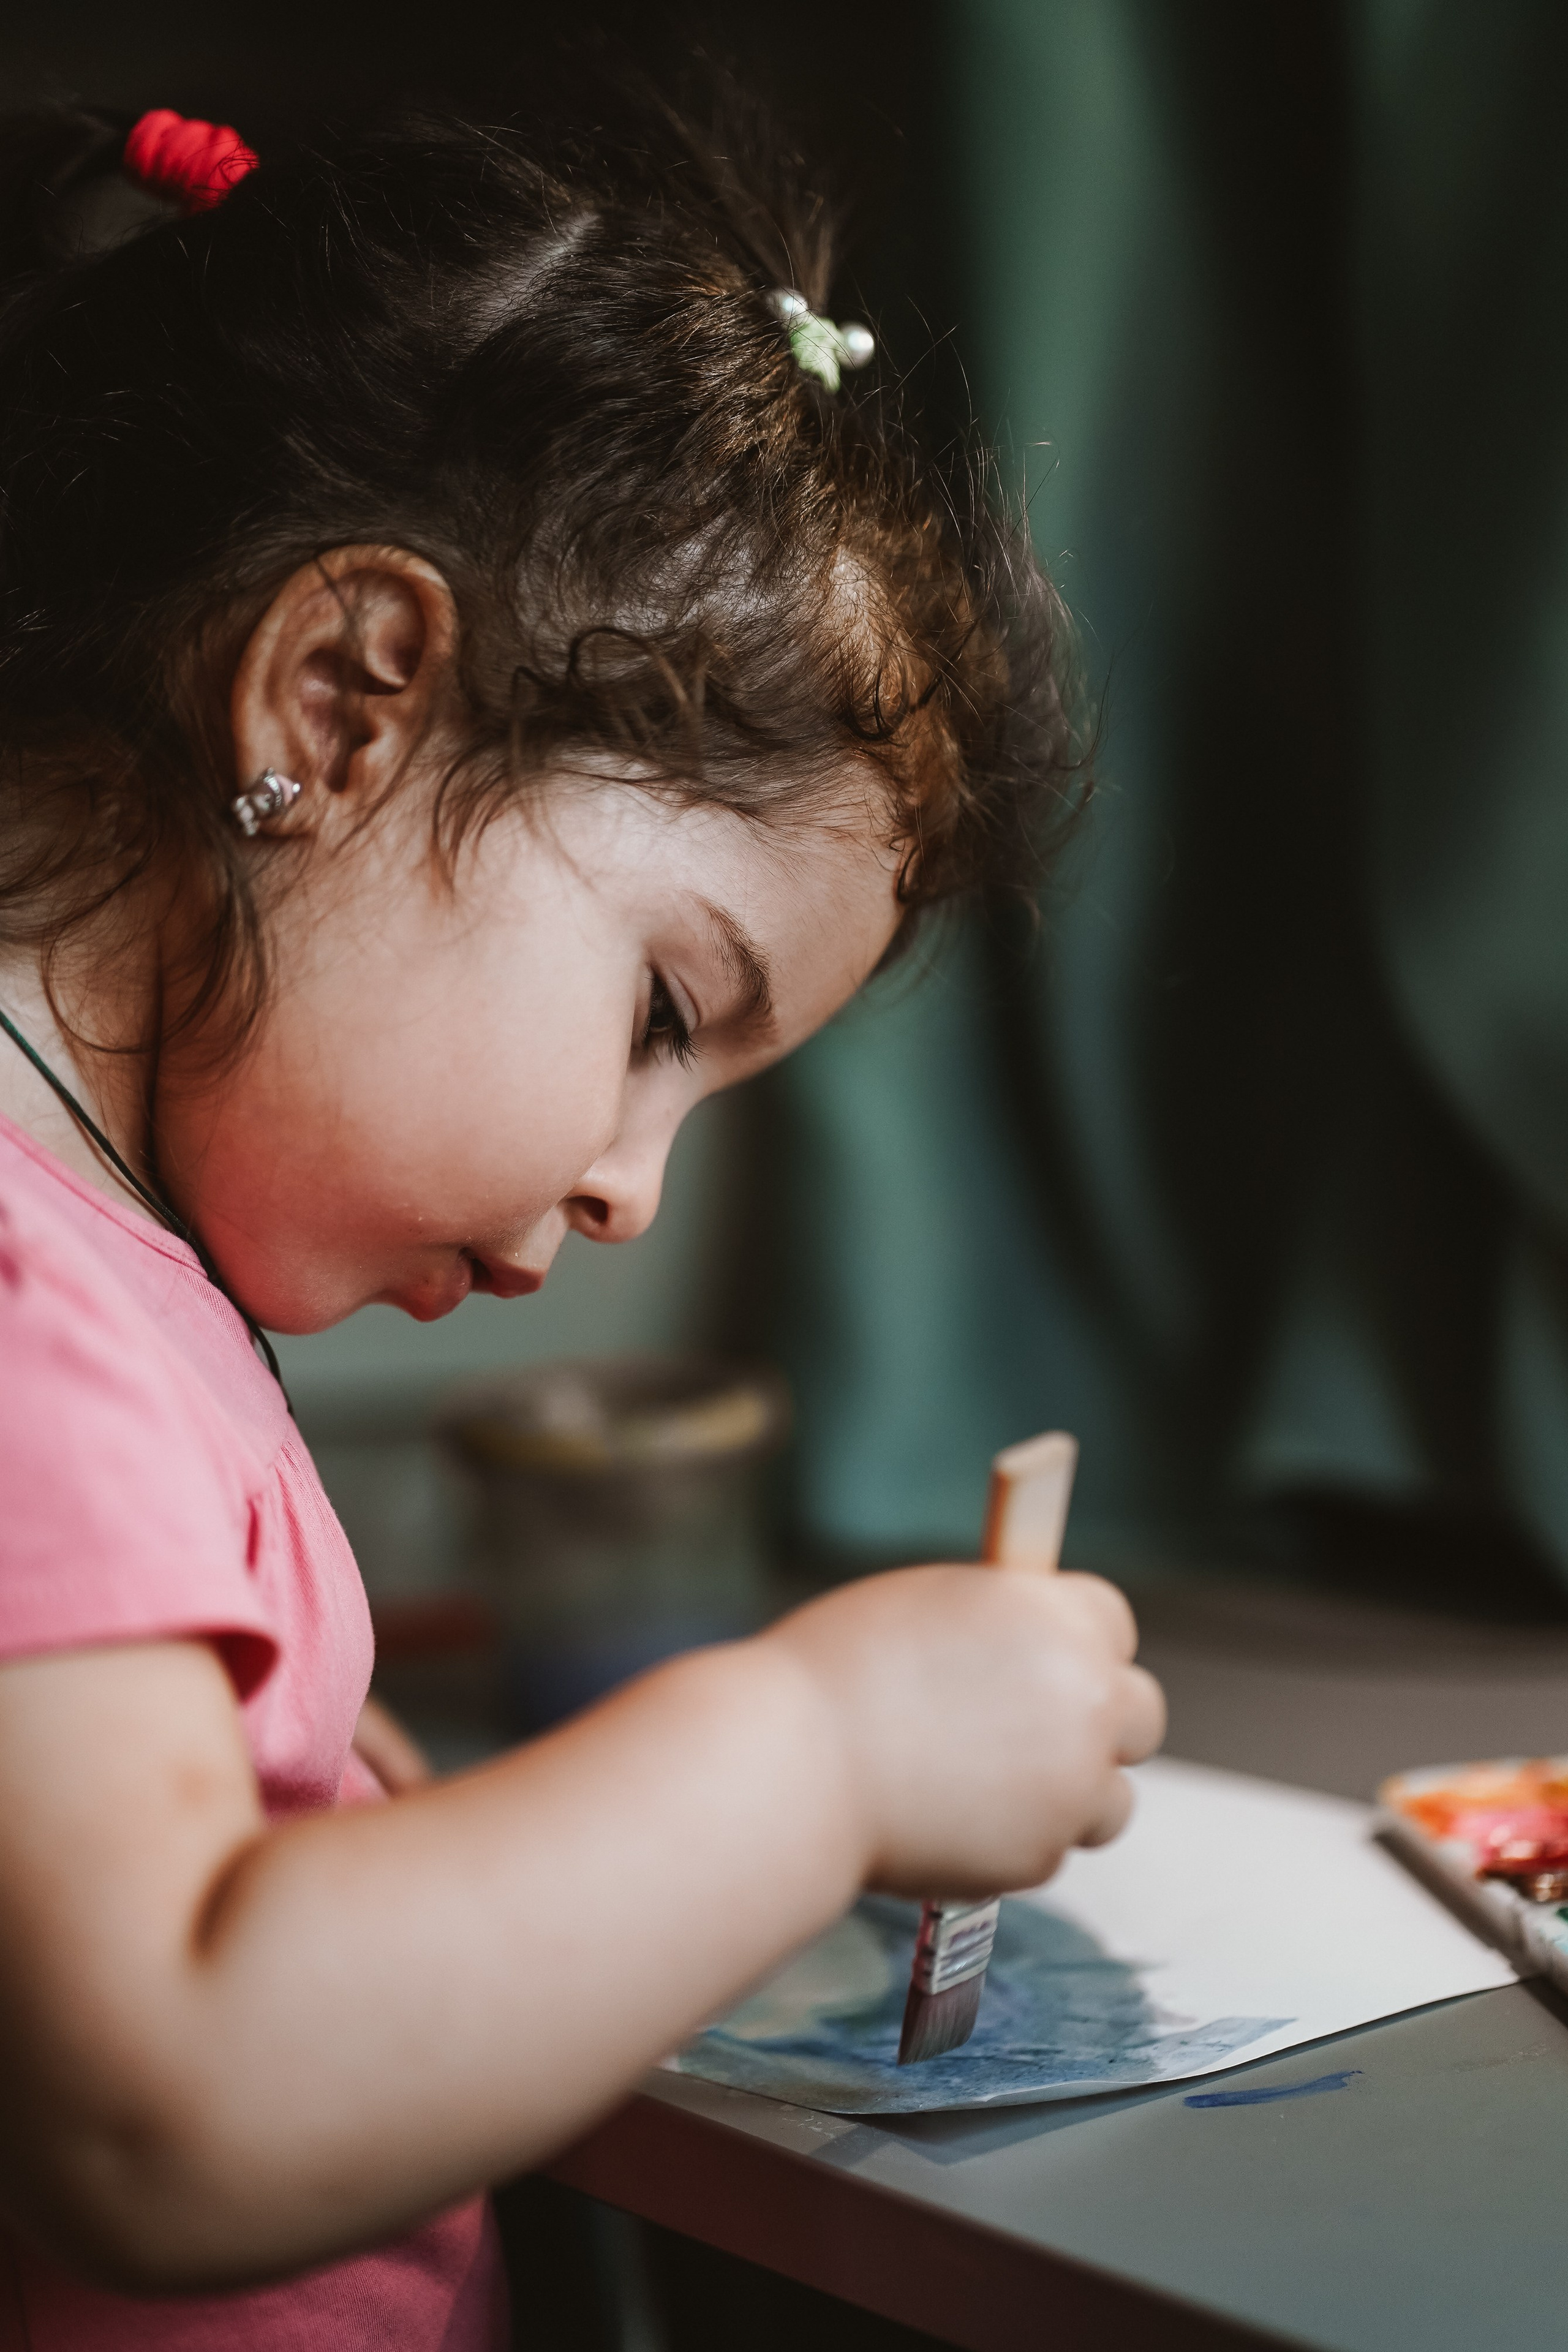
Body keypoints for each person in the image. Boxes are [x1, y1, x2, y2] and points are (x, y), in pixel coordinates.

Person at [0, 94, 1165, 2351]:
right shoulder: (23, 1309)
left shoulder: (108, 1282)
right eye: (660, 1012)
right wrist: (819, 1758)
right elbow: (162, 2106)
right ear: (345, 702)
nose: (634, 1190)